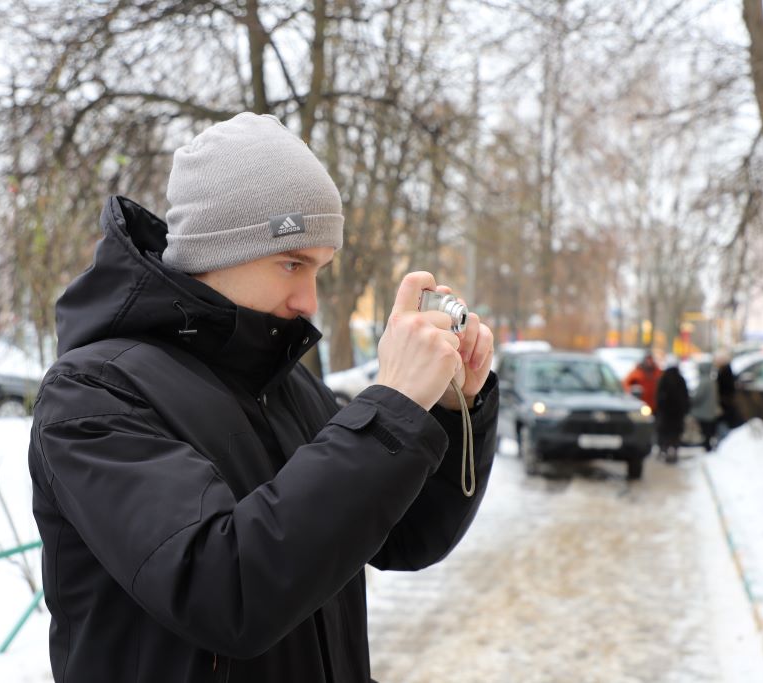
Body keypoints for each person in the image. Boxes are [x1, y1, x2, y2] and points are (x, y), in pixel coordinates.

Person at [27, 113, 499, 683]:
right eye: (291, 263)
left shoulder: (285, 382)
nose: (309, 300)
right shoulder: (94, 393)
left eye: (320, 269)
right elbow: (224, 592)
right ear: (215, 250)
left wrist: (453, 411)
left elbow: (407, 535)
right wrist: (391, 405)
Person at [655, 363, 690, 463]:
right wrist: (685, 409)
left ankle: (664, 449)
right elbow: (685, 397)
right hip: (677, 414)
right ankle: (673, 450)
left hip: (665, 413)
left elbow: (658, 396)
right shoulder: (680, 379)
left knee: (664, 433)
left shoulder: (663, 379)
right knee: (675, 434)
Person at [689, 360, 720, 451]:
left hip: (703, 412)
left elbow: (698, 397)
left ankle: (706, 447)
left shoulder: (704, 381)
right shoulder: (712, 381)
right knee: (708, 433)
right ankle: (708, 447)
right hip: (711, 411)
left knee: (704, 432)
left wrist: (690, 401)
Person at [715, 351, 743, 439]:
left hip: (725, 404)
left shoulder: (724, 373)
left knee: (724, 425)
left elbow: (724, 388)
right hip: (727, 404)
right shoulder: (726, 371)